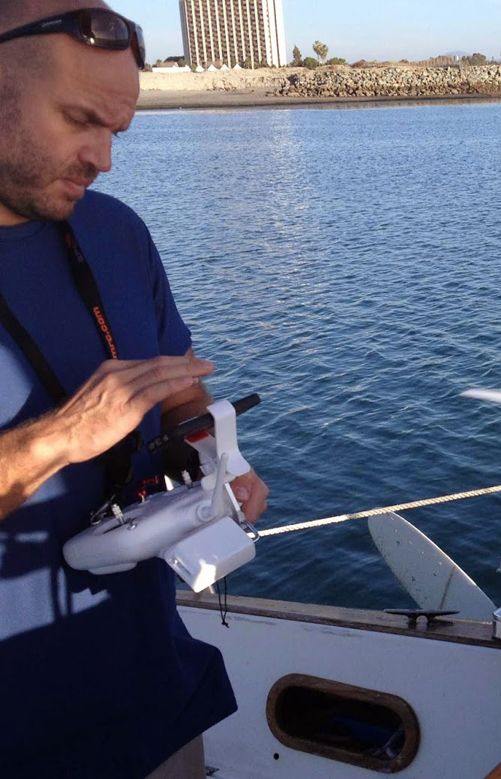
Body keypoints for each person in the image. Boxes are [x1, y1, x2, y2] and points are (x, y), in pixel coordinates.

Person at [0, 2, 269, 775]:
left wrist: (218, 459)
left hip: (155, 697)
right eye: (81, 120)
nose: (103, 159)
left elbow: (177, 390)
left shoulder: (116, 231)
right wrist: (58, 439)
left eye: (117, 131)